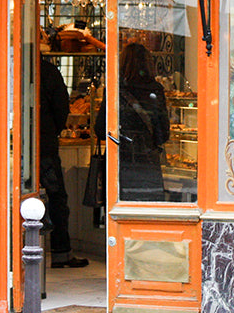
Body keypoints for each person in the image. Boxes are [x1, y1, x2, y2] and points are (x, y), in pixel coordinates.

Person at [98, 42, 170, 201]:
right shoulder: (155, 90)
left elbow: (100, 129)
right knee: (149, 211)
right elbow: (163, 134)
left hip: (119, 163)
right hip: (147, 164)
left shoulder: (114, 89)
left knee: (119, 209)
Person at [38, 51, 88, 268]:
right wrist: (51, 131)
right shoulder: (49, 72)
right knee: (57, 198)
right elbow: (61, 109)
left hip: (16, 147)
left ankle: (12, 256)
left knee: (17, 199)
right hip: (46, 148)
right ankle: (61, 253)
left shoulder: (12, 68)